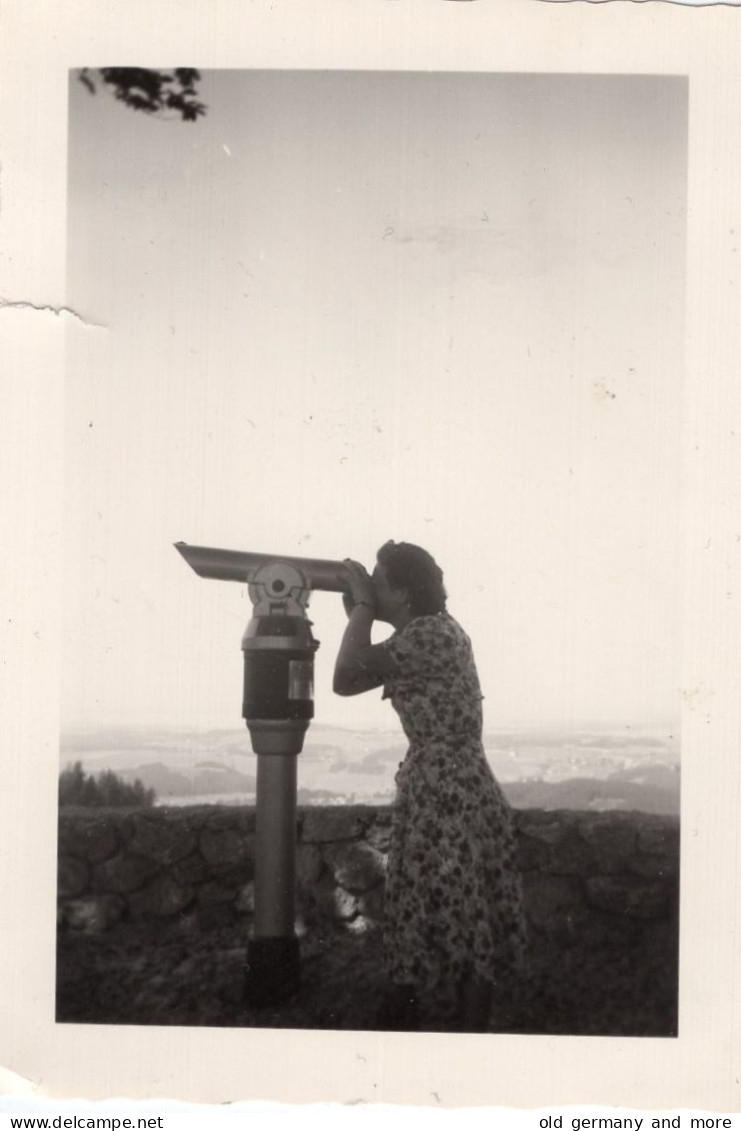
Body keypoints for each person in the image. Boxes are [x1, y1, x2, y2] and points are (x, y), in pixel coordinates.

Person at [333, 540, 527, 1032]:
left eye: (379, 582)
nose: (373, 590)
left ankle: (466, 1039)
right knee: (421, 901)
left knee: (462, 910)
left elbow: (341, 676)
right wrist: (362, 610)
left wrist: (360, 608)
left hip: (448, 790)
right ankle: (409, 1014)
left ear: (400, 591)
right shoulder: (426, 634)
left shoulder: (430, 637)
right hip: (442, 784)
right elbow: (353, 679)